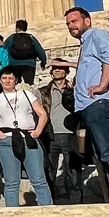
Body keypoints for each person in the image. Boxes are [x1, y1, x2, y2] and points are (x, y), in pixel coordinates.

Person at [64, 6, 109, 203]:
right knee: (104, 156)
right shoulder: (85, 43)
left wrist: (102, 85)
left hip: (101, 103)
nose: (71, 26)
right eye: (68, 23)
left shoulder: (96, 35)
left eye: (74, 21)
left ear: (87, 21)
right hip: (91, 107)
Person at [0, 67, 54, 207]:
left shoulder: (27, 94)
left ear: (16, 80)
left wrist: (37, 131)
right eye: (4, 78)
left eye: (10, 78)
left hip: (28, 138)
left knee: (39, 179)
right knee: (11, 182)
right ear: (0, 80)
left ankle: (47, 210)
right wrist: (1, 135)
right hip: (7, 140)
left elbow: (42, 114)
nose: (7, 81)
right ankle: (13, 213)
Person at [37, 65, 79, 200]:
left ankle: (76, 202)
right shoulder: (42, 92)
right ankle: (49, 201)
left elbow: (84, 67)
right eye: (54, 68)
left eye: (61, 68)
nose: (57, 70)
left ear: (67, 72)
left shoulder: (75, 89)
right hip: (50, 134)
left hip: (70, 133)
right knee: (49, 170)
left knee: (73, 170)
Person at [2, 20, 48, 85]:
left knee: (15, 85)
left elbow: (4, 51)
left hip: (14, 64)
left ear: (16, 28)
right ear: (26, 28)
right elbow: (40, 51)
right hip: (29, 64)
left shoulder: (11, 38)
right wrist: (43, 62)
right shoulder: (31, 37)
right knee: (30, 85)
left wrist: (4, 65)